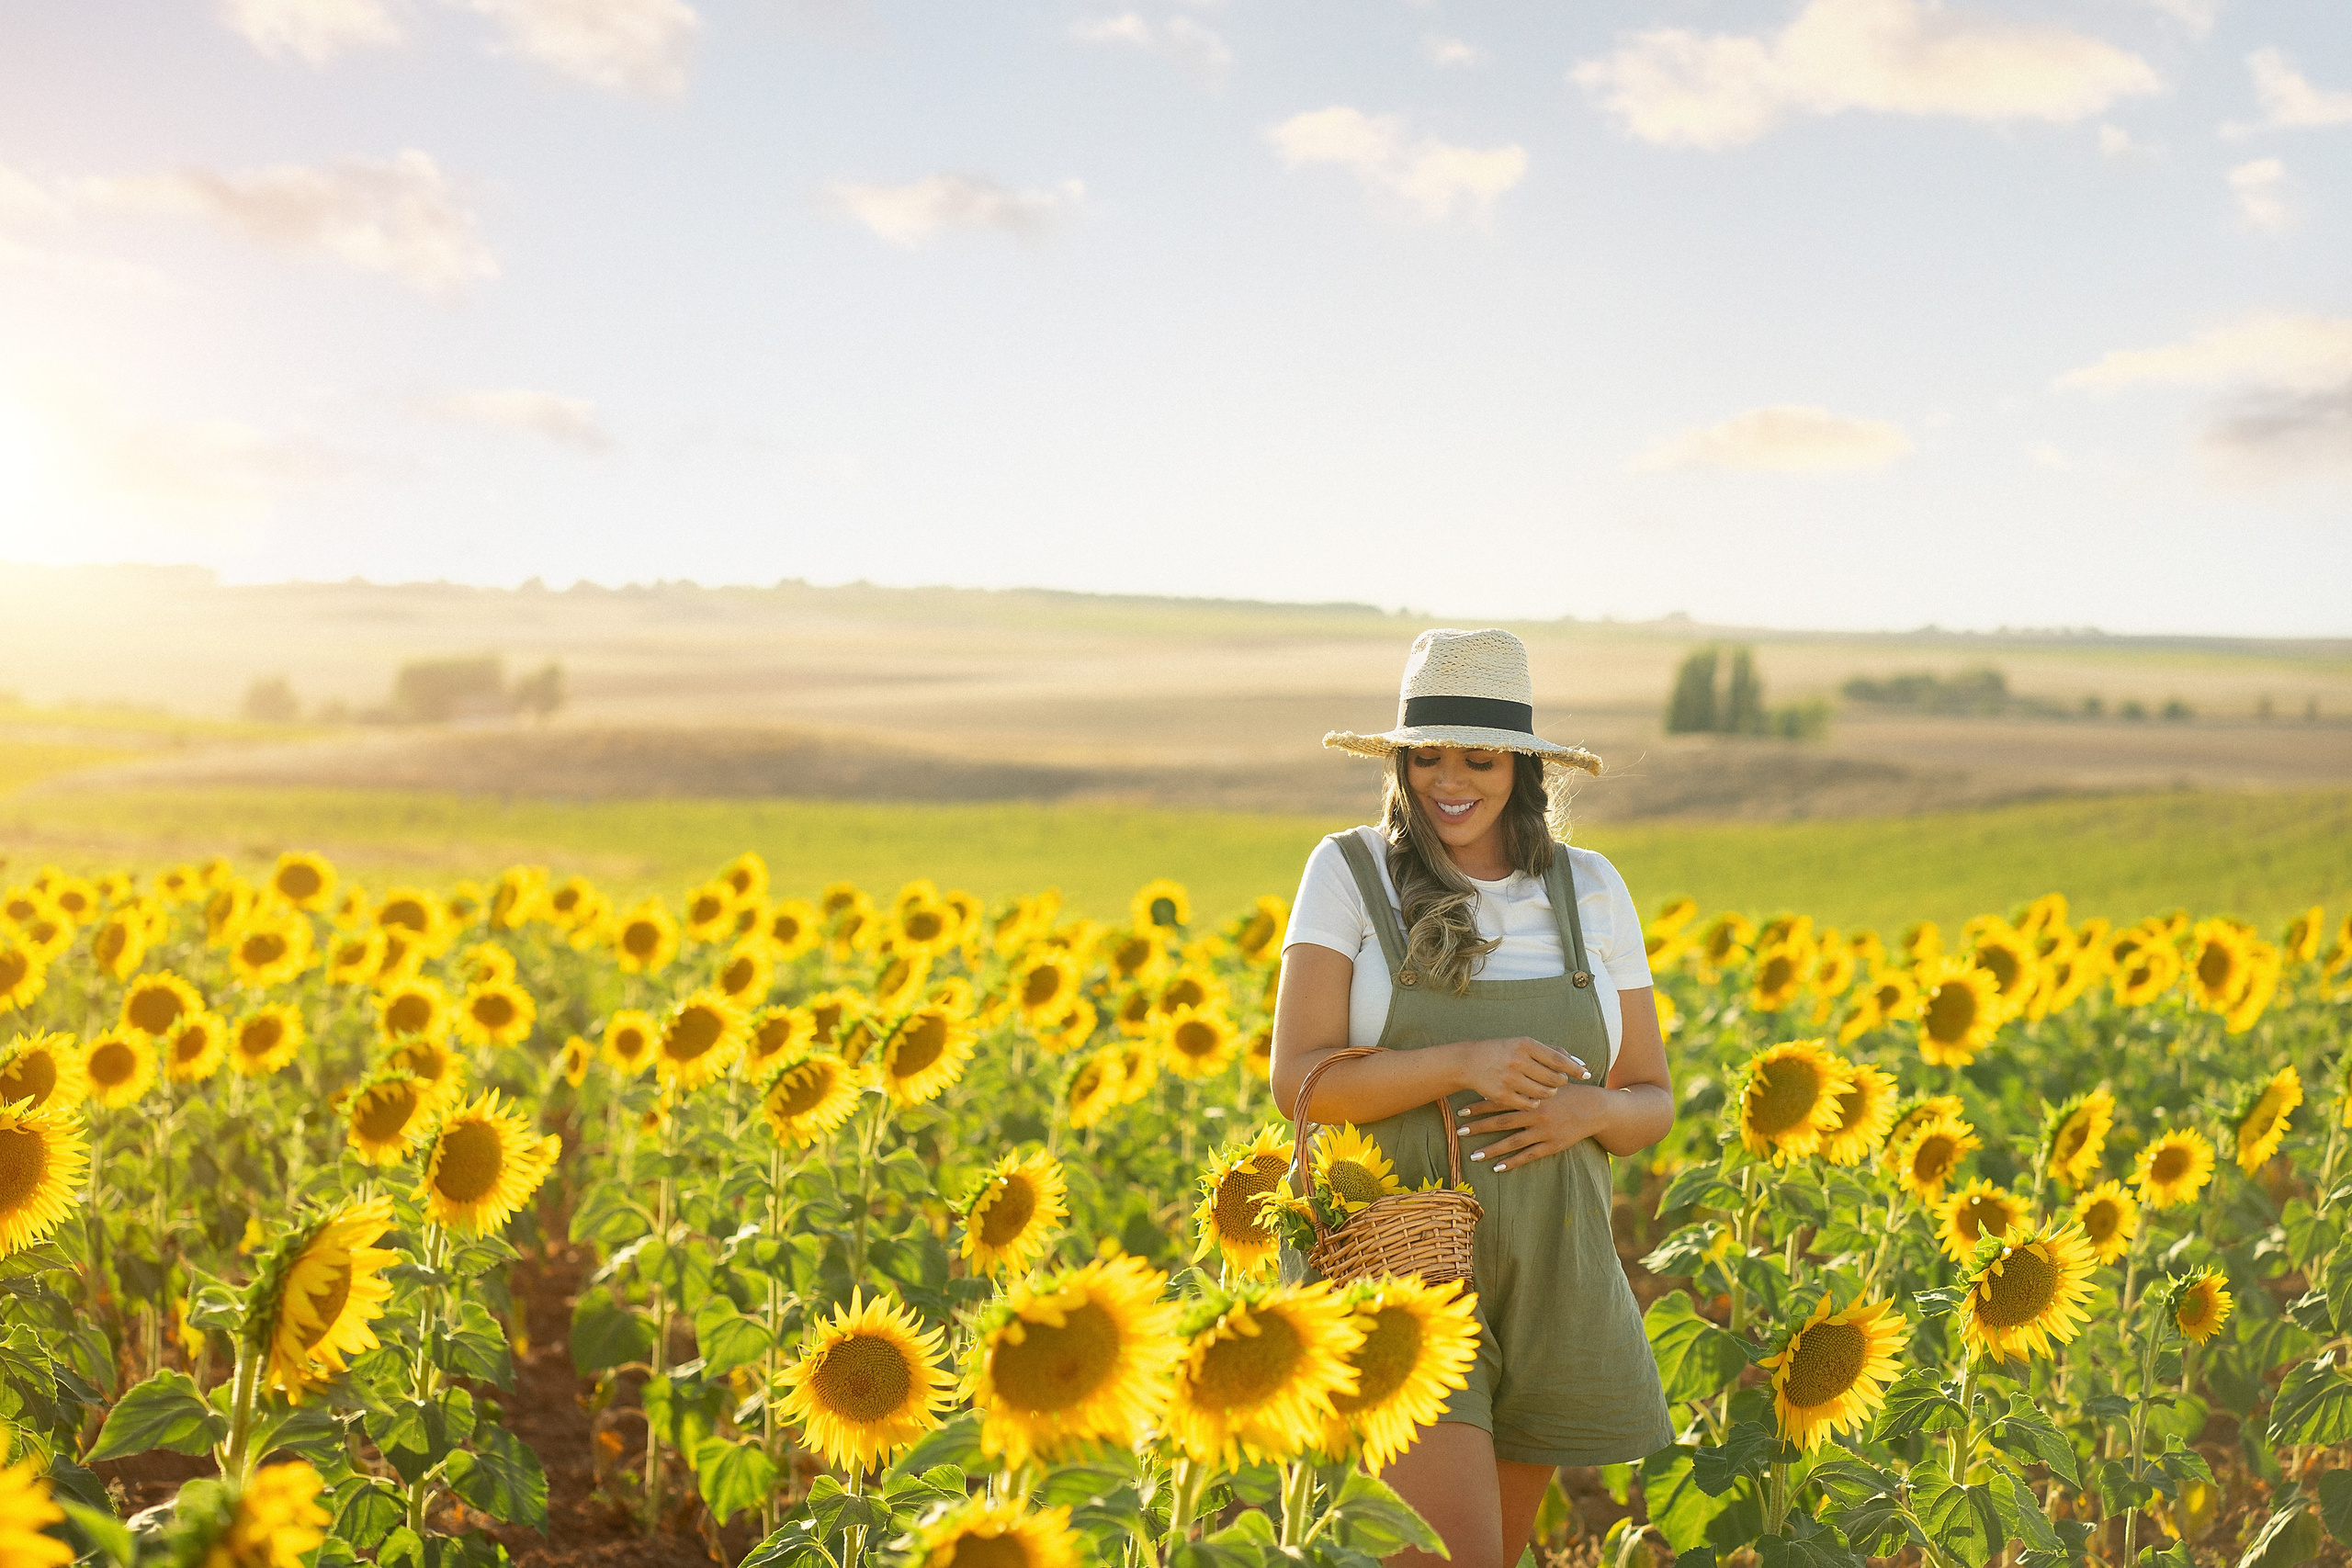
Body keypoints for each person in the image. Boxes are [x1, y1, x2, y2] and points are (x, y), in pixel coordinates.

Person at [1271, 626, 1674, 1568]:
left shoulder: (1590, 889)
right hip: (1404, 1262)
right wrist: (1464, 1061)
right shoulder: (1348, 870)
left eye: (1478, 759)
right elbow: (1299, 1077)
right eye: (1427, 757)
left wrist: (1595, 1115)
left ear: (1521, 768)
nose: (1448, 780)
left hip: (1554, 1266)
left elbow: (1650, 1094)